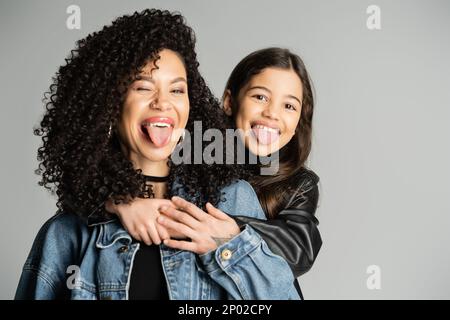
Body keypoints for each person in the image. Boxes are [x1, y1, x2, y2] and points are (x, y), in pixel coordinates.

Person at [15, 9, 299, 300]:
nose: (163, 103)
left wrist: (229, 247)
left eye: (177, 90)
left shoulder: (232, 200)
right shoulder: (67, 233)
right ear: (109, 104)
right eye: (143, 87)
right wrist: (116, 202)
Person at [110, 47, 322, 298]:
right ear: (229, 102)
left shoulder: (298, 183)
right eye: (260, 97)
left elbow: (300, 248)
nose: (272, 113)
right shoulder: (191, 150)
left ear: (299, 121)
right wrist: (118, 201)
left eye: (289, 105)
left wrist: (227, 231)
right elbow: (118, 161)